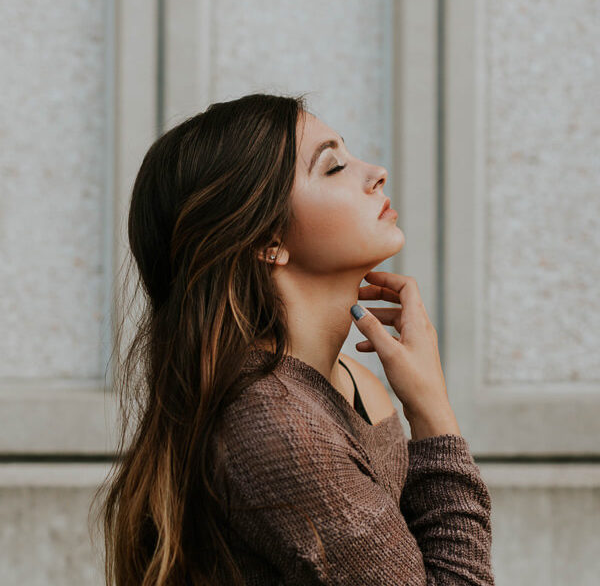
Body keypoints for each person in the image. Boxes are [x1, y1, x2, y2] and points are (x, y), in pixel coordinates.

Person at [91, 92, 494, 585]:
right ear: (268, 242)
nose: (376, 172)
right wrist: (434, 412)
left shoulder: (356, 383)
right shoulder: (277, 427)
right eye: (333, 166)